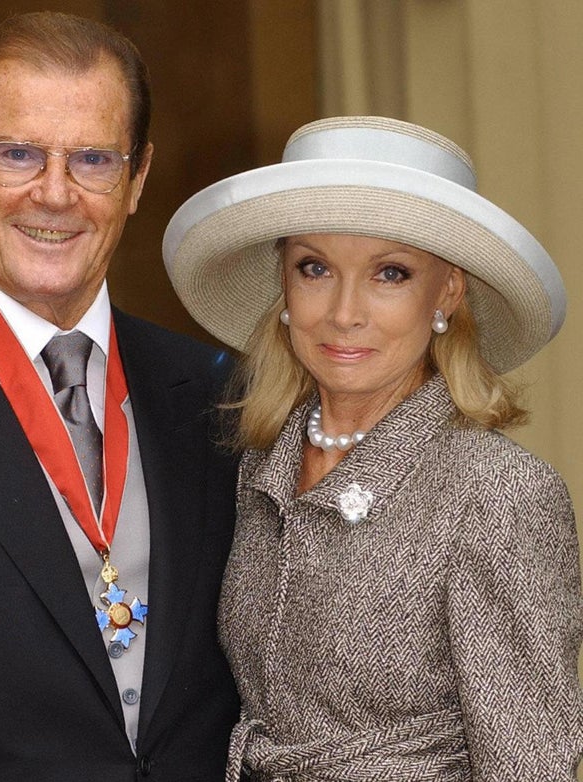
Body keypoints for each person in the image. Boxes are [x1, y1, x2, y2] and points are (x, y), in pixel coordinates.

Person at [0, 11, 239, 781]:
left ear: (136, 181)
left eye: (94, 159)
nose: (55, 194)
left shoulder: (222, 395)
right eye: (19, 154)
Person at [162, 116, 583, 780]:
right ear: (285, 286)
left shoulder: (496, 492)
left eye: (390, 273)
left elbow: (530, 765)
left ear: (447, 290)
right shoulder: (258, 470)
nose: (344, 312)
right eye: (315, 267)